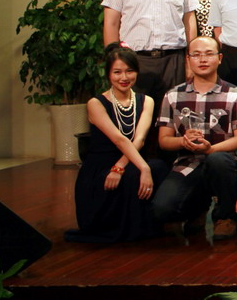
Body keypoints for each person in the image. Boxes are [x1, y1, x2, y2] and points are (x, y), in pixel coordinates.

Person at [66, 44, 169, 243]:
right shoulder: (95, 103)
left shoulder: (146, 101)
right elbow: (119, 139)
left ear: (137, 72)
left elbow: (139, 139)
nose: (124, 77)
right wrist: (125, 168)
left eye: (129, 71)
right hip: (101, 165)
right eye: (117, 72)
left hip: (130, 159)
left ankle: (145, 226)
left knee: (158, 168)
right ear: (108, 74)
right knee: (137, 172)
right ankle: (116, 225)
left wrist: (128, 166)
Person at [152, 35, 237, 240]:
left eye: (208, 54)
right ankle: (197, 209)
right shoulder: (173, 95)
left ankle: (226, 216)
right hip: (188, 163)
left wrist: (211, 149)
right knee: (162, 209)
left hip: (224, 161)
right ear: (188, 59)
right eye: (196, 55)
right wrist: (182, 141)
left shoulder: (235, 94)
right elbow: (164, 140)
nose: (202, 59)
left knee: (217, 160)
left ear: (220, 58)